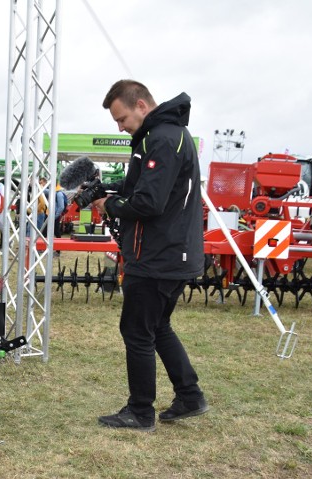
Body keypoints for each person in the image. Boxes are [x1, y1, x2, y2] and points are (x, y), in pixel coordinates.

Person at [92, 79, 207, 432]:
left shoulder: (162, 138)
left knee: (137, 331)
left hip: (157, 256)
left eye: (122, 118)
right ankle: (190, 396)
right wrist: (111, 191)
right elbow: (143, 189)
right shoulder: (165, 136)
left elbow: (148, 202)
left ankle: (140, 412)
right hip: (172, 254)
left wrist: (109, 203)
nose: (120, 126)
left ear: (141, 105)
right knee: (157, 327)